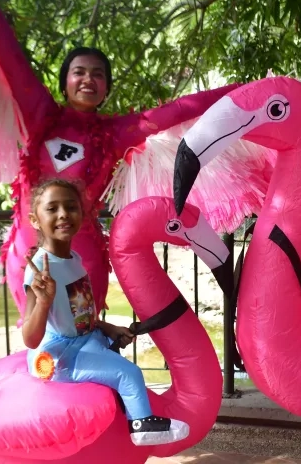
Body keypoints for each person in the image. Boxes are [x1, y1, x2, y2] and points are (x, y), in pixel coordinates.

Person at [0, 0, 245, 324]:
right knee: (40, 347)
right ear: (64, 82)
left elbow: (177, 111)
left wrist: (243, 93)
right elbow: (10, 58)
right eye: (79, 72)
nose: (88, 79)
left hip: (81, 260)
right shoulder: (38, 115)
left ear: (107, 88)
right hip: (28, 253)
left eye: (98, 75)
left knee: (84, 335)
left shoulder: (115, 133)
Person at [23, 178, 189, 446]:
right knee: (129, 373)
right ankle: (142, 426)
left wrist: (105, 327)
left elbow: (78, 313)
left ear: (82, 213)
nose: (63, 214)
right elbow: (31, 339)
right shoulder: (40, 273)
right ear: (35, 219)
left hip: (82, 340)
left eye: (71, 207)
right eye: (52, 209)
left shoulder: (73, 258)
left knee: (113, 352)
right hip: (58, 355)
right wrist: (43, 302)